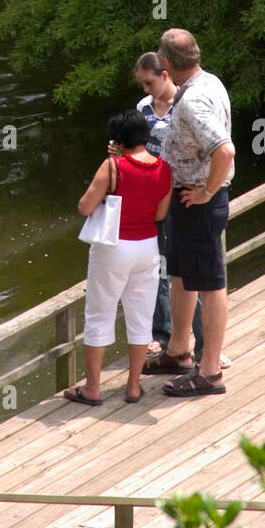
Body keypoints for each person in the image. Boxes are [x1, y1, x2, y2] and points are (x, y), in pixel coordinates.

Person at [146, 28, 235, 397]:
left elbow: (225, 150)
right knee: (181, 275)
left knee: (211, 284)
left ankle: (210, 372)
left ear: (166, 64)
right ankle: (178, 350)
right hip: (186, 200)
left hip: (198, 202)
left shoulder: (194, 99)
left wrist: (206, 191)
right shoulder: (209, 80)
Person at [65, 109, 172, 406]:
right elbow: (161, 214)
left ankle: (93, 388)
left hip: (113, 247)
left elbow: (85, 207)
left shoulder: (113, 166)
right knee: (140, 319)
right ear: (145, 135)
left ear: (118, 140)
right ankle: (134, 386)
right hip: (147, 247)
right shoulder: (165, 168)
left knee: (99, 315)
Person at [131, 53, 204, 364]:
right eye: (141, 84)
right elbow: (138, 150)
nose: (146, 89)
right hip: (153, 196)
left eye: (149, 82)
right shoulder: (142, 109)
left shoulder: (186, 106)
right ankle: (162, 335)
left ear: (165, 75)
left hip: (183, 194)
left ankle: (204, 343)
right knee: (158, 267)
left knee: (190, 271)